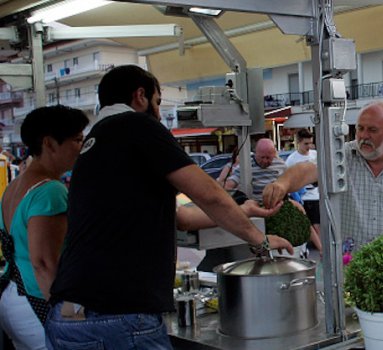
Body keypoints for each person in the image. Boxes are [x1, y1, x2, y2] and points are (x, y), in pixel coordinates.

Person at [45, 65, 292, 349]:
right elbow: (208, 193)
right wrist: (260, 241)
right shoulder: (136, 125)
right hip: (119, 317)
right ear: (140, 96)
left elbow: (182, 218)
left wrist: (244, 211)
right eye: (158, 102)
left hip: (67, 318)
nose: (160, 114)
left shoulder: (97, 141)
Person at [263, 100, 383, 247]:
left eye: (372, 130)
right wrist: (282, 184)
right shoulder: (342, 156)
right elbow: (307, 170)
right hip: (350, 270)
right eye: (360, 128)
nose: (363, 136)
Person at [0, 106, 88, 350]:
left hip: (13, 295)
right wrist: (70, 317)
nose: (81, 148)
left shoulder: (15, 186)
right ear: (49, 143)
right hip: (38, 301)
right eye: (77, 140)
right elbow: (45, 263)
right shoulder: (49, 190)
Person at [285, 129, 321, 252]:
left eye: (310, 143)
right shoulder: (291, 159)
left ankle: (321, 247)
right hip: (302, 196)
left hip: (316, 195)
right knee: (309, 225)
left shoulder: (315, 154)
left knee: (318, 225)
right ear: (298, 143)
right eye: (306, 144)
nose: (309, 146)